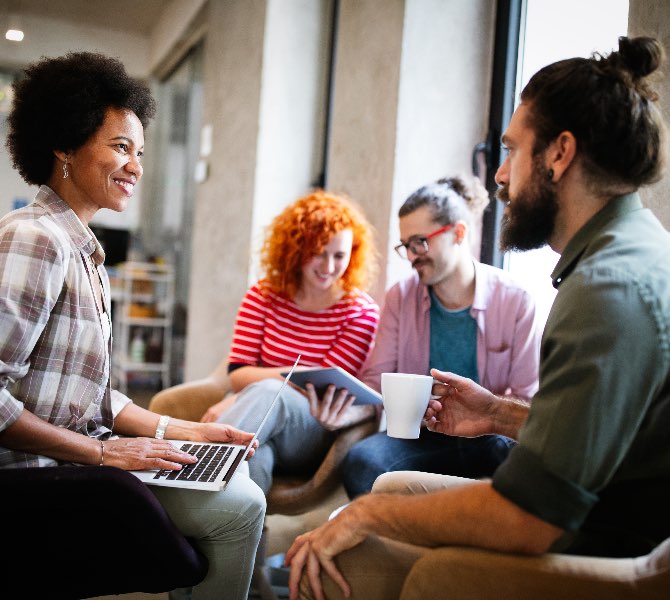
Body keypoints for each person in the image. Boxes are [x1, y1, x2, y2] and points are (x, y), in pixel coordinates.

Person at [285, 35, 670, 600]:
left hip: (602, 544)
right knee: (383, 478)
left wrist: (366, 516)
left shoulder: (607, 288)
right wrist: (498, 412)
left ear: (559, 154)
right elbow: (594, 433)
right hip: (593, 508)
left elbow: (528, 516)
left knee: (368, 537)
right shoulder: (631, 252)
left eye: (512, 151)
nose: (499, 178)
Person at [0, 52, 265, 600]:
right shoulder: (34, 239)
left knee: (237, 480)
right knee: (242, 508)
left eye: (139, 151)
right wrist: (105, 454)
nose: (136, 166)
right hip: (35, 476)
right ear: (65, 144)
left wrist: (180, 430)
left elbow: (90, 396)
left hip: (72, 461)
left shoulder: (84, 250)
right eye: (120, 147)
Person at [341, 175, 541, 498]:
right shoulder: (399, 298)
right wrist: (348, 411)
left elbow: (527, 397)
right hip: (422, 433)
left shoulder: (515, 300)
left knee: (529, 464)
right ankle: (400, 543)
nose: (411, 256)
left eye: (420, 242)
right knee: (361, 463)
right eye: (405, 245)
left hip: (489, 433)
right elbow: (376, 380)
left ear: (458, 233)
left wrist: (487, 413)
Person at [202, 190, 381, 494]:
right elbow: (238, 373)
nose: (328, 266)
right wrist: (260, 389)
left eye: (339, 255)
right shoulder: (263, 295)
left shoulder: (360, 312)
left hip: (313, 429)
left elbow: (324, 386)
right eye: (318, 253)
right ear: (297, 249)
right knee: (253, 463)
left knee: (272, 391)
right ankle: (232, 538)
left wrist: (249, 394)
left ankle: (195, 469)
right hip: (258, 424)